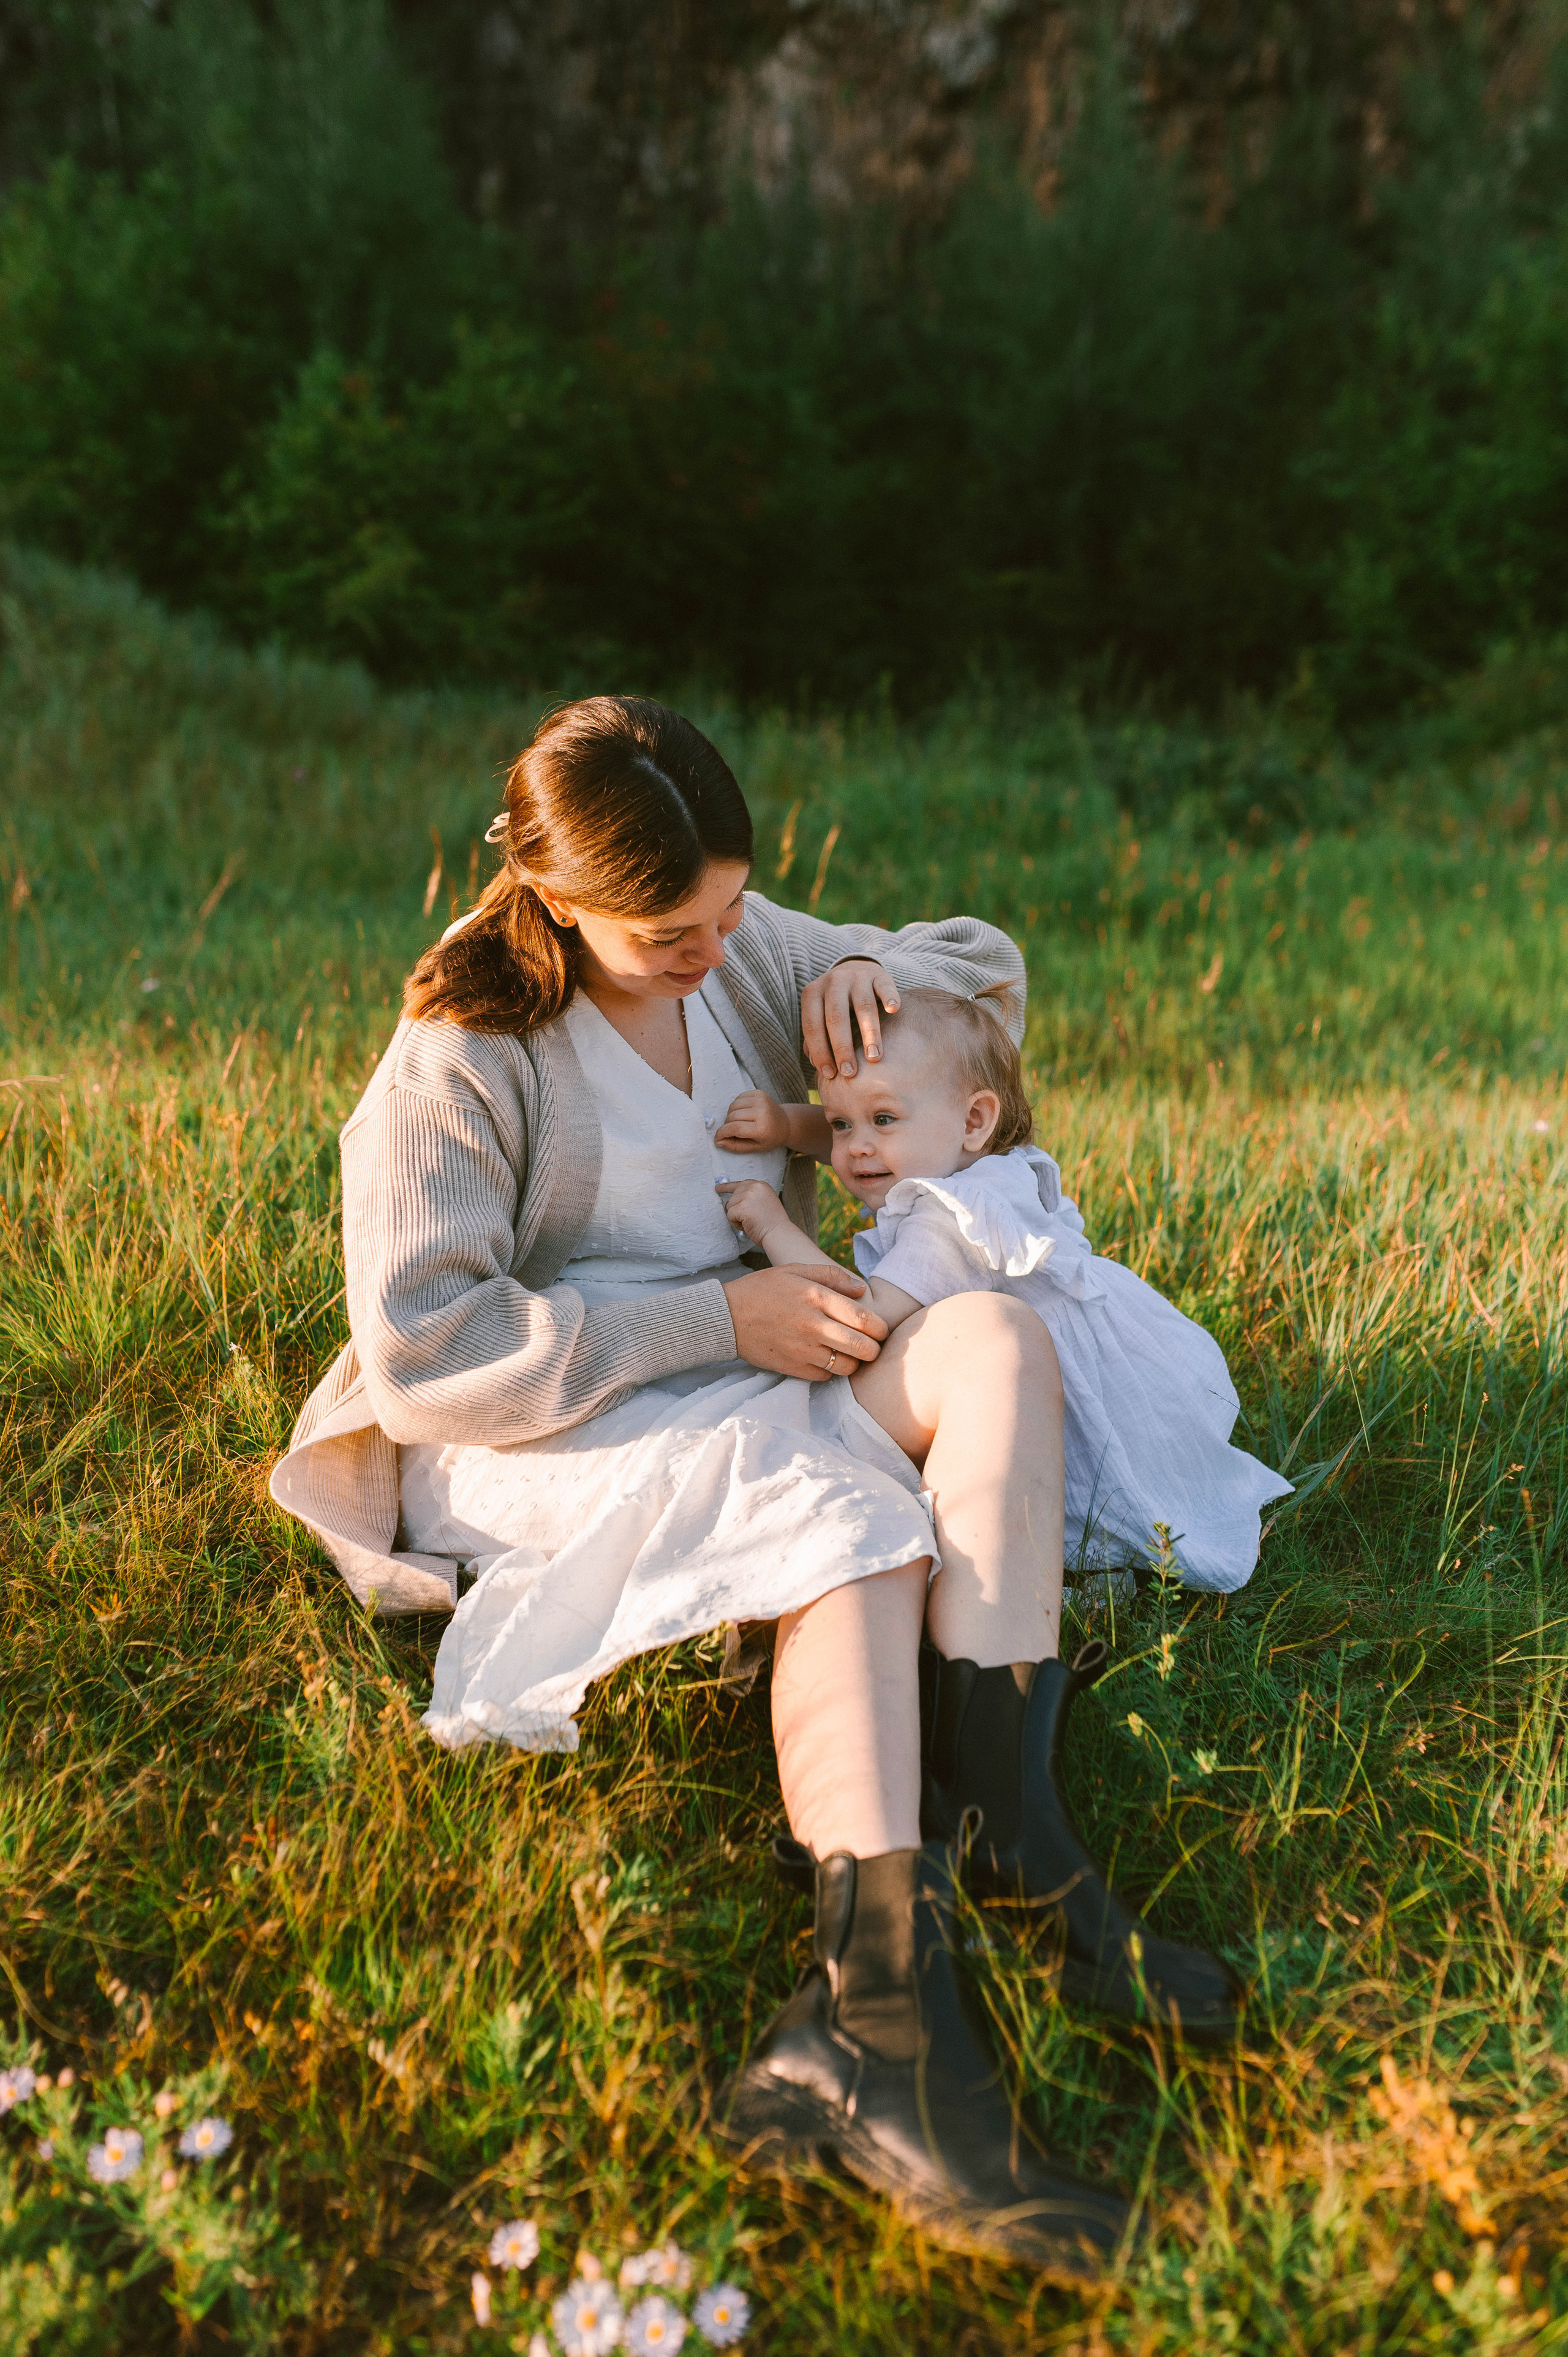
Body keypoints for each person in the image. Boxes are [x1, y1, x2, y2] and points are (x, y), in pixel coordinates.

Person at [266, 697, 1213, 2275]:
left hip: (759, 1357)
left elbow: (983, 985)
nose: (715, 953)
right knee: (839, 1515)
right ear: (554, 893)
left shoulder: (740, 943)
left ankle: (1009, 1833)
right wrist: (717, 1321)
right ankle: (877, 2027)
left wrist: (872, 965)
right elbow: (428, 1351)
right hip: (541, 1422)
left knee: (993, 1341)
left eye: (731, 911)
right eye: (670, 936)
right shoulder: (461, 1053)